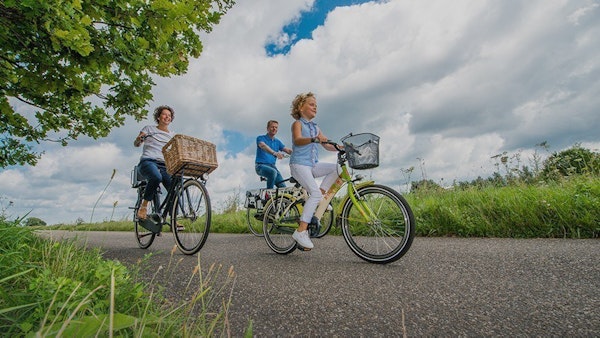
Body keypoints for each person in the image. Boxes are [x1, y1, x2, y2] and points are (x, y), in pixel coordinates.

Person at [289, 92, 338, 250]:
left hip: (312, 164)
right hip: (299, 164)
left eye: (316, 105)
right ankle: (301, 231)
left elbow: (326, 144)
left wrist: (340, 148)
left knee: (337, 168)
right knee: (314, 193)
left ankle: (321, 198)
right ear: (300, 108)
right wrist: (313, 139)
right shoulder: (298, 124)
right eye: (311, 104)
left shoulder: (316, 127)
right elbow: (297, 139)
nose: (315, 107)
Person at [134, 105, 176, 220]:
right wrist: (140, 139)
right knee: (156, 177)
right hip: (148, 161)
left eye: (169, 116)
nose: (167, 117)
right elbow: (136, 144)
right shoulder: (149, 129)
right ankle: (144, 206)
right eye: (164, 114)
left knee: (174, 188)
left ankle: (173, 219)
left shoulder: (172, 135)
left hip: (165, 165)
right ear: (158, 117)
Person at [255, 120, 293, 189]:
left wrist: (300, 153)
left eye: (276, 127)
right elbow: (263, 146)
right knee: (272, 172)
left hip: (273, 167)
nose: (274, 129)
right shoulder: (260, 138)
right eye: (272, 127)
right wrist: (274, 153)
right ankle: (269, 194)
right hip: (260, 166)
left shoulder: (277, 142)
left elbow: (287, 150)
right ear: (267, 128)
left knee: (283, 188)